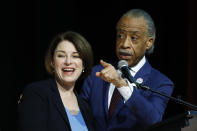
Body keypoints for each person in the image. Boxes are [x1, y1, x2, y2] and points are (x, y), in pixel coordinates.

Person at [80, 9, 174, 130]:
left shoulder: (160, 82)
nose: (124, 44)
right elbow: (80, 117)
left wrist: (121, 85)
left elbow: (153, 120)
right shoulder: (96, 74)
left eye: (134, 38)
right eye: (120, 36)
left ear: (149, 43)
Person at [18, 31, 96, 131]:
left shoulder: (86, 108)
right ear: (52, 62)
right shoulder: (36, 93)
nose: (68, 62)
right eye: (61, 55)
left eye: (75, 56)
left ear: (84, 64)